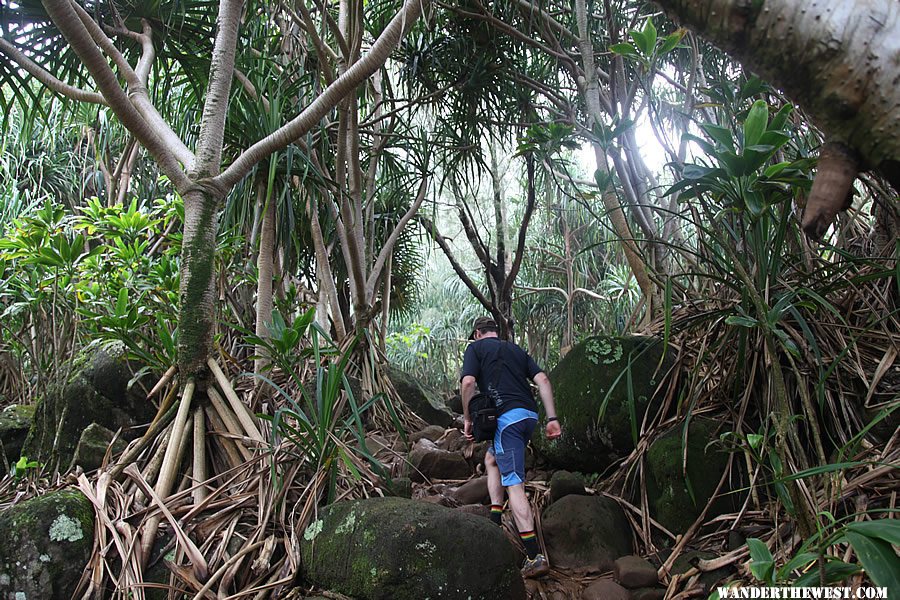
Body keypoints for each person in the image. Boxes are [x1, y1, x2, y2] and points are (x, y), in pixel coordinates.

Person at [460, 316, 562, 579]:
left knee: (514, 483)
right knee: (493, 458)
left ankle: (533, 555)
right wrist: (552, 419)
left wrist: (468, 419)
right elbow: (543, 381)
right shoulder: (515, 349)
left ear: (478, 333)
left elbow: (469, 383)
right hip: (528, 416)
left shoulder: (475, 348)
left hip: (506, 420)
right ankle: (495, 519)